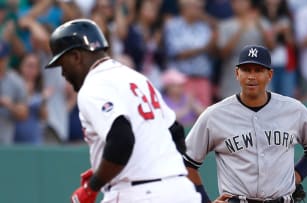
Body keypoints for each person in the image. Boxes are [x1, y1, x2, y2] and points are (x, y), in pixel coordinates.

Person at [45, 19, 200, 203]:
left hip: (138, 194)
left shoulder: (93, 85)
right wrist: (106, 168)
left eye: (63, 65)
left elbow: (121, 140)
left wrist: (92, 186)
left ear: (77, 57)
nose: (63, 73)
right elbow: (175, 133)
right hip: (181, 190)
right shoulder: (137, 78)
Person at [183, 45, 307, 203]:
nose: (251, 76)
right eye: (246, 70)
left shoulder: (293, 109)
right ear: (237, 73)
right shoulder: (215, 115)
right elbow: (186, 163)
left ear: (270, 75)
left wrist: (299, 173)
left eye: (258, 70)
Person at [0, 40, 28, 144]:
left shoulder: (15, 81)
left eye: (1, 59)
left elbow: (24, 114)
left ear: (7, 59)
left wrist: (9, 105)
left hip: (6, 140)